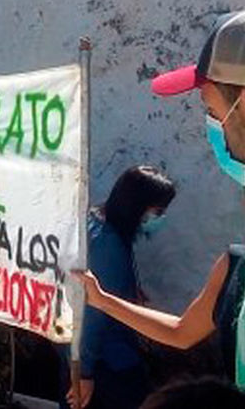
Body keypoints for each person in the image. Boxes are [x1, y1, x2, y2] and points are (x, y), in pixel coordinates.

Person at [71, 9, 245, 399]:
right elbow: (182, 332)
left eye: (211, 113)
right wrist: (103, 300)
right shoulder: (240, 263)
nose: (209, 129)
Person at [67, 165, 176, 409]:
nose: (160, 217)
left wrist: (127, 289)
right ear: (137, 206)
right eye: (158, 211)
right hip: (107, 359)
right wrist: (83, 374)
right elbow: (93, 314)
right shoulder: (109, 245)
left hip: (86, 355)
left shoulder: (96, 221)